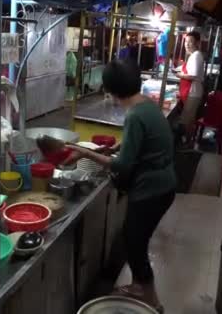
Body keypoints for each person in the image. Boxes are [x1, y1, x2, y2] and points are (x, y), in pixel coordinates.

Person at [65, 60, 176, 313]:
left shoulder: (135, 115)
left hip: (151, 190)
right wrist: (115, 147)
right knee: (134, 235)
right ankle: (138, 286)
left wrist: (84, 152)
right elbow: (141, 144)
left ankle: (153, 302)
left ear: (110, 89)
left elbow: (123, 167)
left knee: (135, 242)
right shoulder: (146, 104)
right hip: (164, 184)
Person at [176, 32, 205, 135]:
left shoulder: (196, 56)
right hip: (192, 92)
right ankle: (187, 142)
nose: (187, 44)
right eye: (186, 41)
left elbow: (193, 76)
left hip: (193, 93)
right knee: (188, 119)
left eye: (190, 41)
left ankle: (185, 144)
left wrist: (180, 75)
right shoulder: (193, 55)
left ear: (197, 43)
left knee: (186, 121)